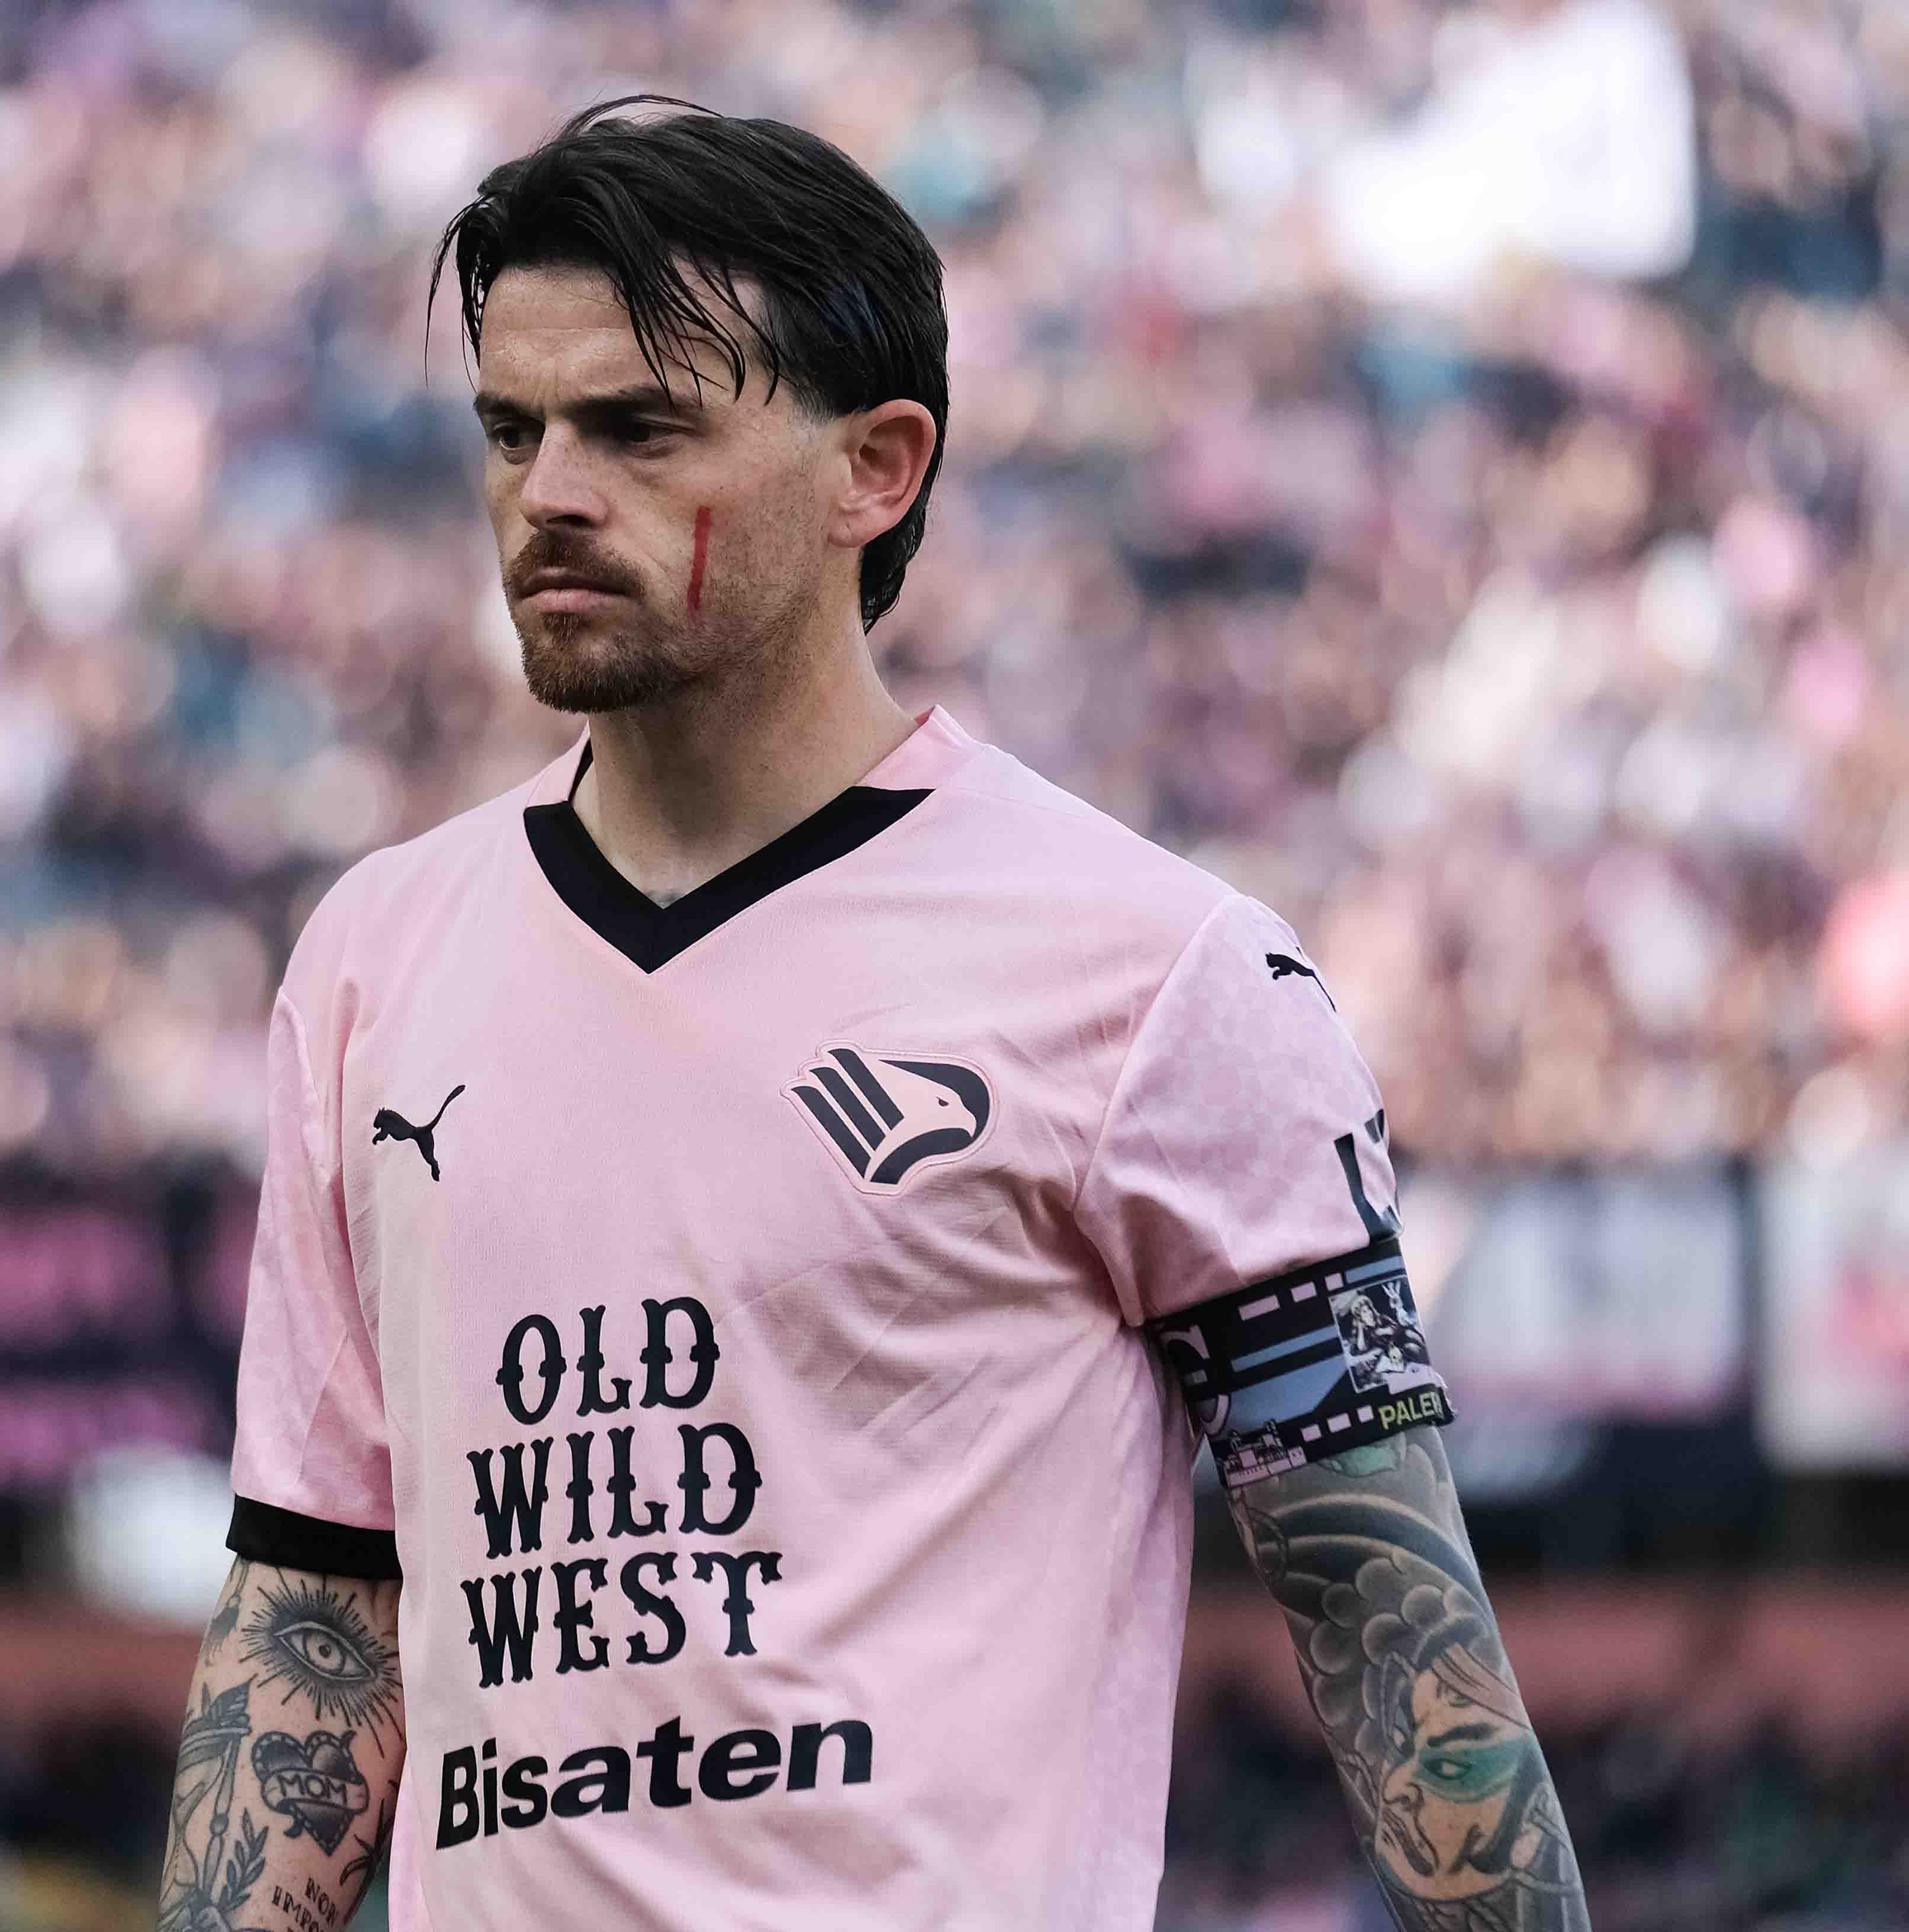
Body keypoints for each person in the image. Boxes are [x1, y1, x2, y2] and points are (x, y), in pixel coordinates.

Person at [160, 97, 1591, 1932]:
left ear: (879, 468)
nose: (551, 490)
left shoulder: (1161, 976)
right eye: (512, 430)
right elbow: (314, 1609)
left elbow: (1403, 1642)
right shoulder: (372, 960)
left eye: (640, 426)